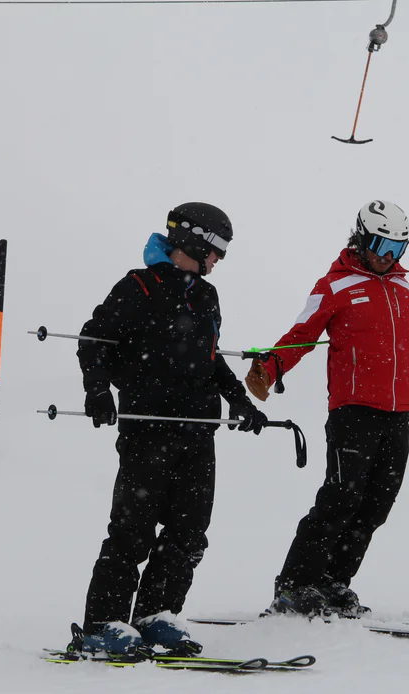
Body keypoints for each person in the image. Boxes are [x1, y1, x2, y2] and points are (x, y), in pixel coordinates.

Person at [245, 200, 409, 617]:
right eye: (382, 245)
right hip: (353, 412)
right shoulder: (336, 285)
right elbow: (302, 334)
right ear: (362, 238)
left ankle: (332, 583)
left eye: (399, 249)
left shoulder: (402, 289)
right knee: (340, 499)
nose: (389, 257)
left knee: (376, 504)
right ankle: (295, 585)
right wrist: (269, 368)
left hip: (398, 413)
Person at [73, 202, 268, 655]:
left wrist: (238, 400)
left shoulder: (206, 296)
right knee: (132, 530)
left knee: (189, 531)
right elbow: (94, 340)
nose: (220, 258)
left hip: (198, 430)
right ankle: (104, 623)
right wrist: (97, 391)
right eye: (217, 247)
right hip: (149, 429)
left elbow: (211, 359)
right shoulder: (138, 286)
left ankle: (156, 614)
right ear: (193, 240)